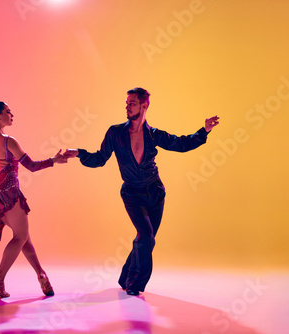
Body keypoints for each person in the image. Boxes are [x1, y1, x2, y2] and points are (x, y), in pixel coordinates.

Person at [64, 87, 219, 296]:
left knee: (146, 238)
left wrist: (204, 130)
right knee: (146, 236)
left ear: (144, 105)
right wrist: (78, 153)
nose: (127, 107)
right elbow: (100, 159)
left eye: (132, 103)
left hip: (155, 192)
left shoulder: (153, 135)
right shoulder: (115, 132)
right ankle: (134, 285)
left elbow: (181, 144)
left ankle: (125, 277)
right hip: (132, 194)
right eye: (126, 103)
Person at [0, 70, 67, 298]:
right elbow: (31, 166)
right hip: (9, 192)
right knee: (20, 237)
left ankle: (42, 276)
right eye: (7, 112)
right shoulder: (9, 141)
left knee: (25, 238)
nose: (12, 114)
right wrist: (55, 160)